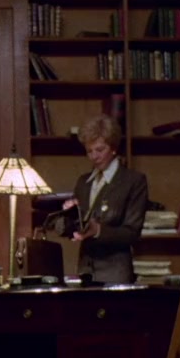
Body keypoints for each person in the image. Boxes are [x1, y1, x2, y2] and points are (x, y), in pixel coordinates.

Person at [57, 115, 147, 284]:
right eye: (89, 151)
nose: (94, 156)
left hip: (115, 272)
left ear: (113, 148)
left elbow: (132, 233)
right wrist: (68, 217)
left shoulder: (133, 181)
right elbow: (75, 230)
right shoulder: (83, 182)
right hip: (85, 270)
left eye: (99, 150)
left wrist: (98, 230)